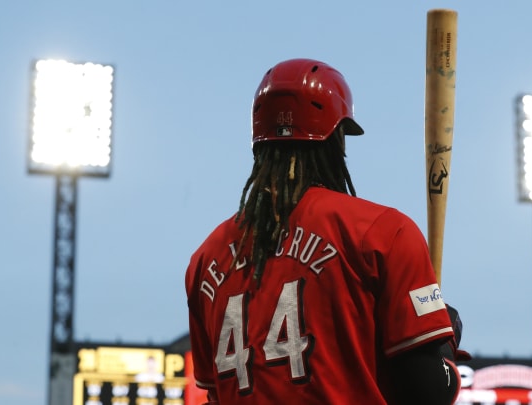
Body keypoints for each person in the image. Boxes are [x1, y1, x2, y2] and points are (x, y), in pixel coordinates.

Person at [185, 58, 469, 405]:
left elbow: (214, 395)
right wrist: (443, 348)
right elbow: (426, 394)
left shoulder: (205, 262)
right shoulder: (383, 233)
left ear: (259, 143)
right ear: (335, 139)